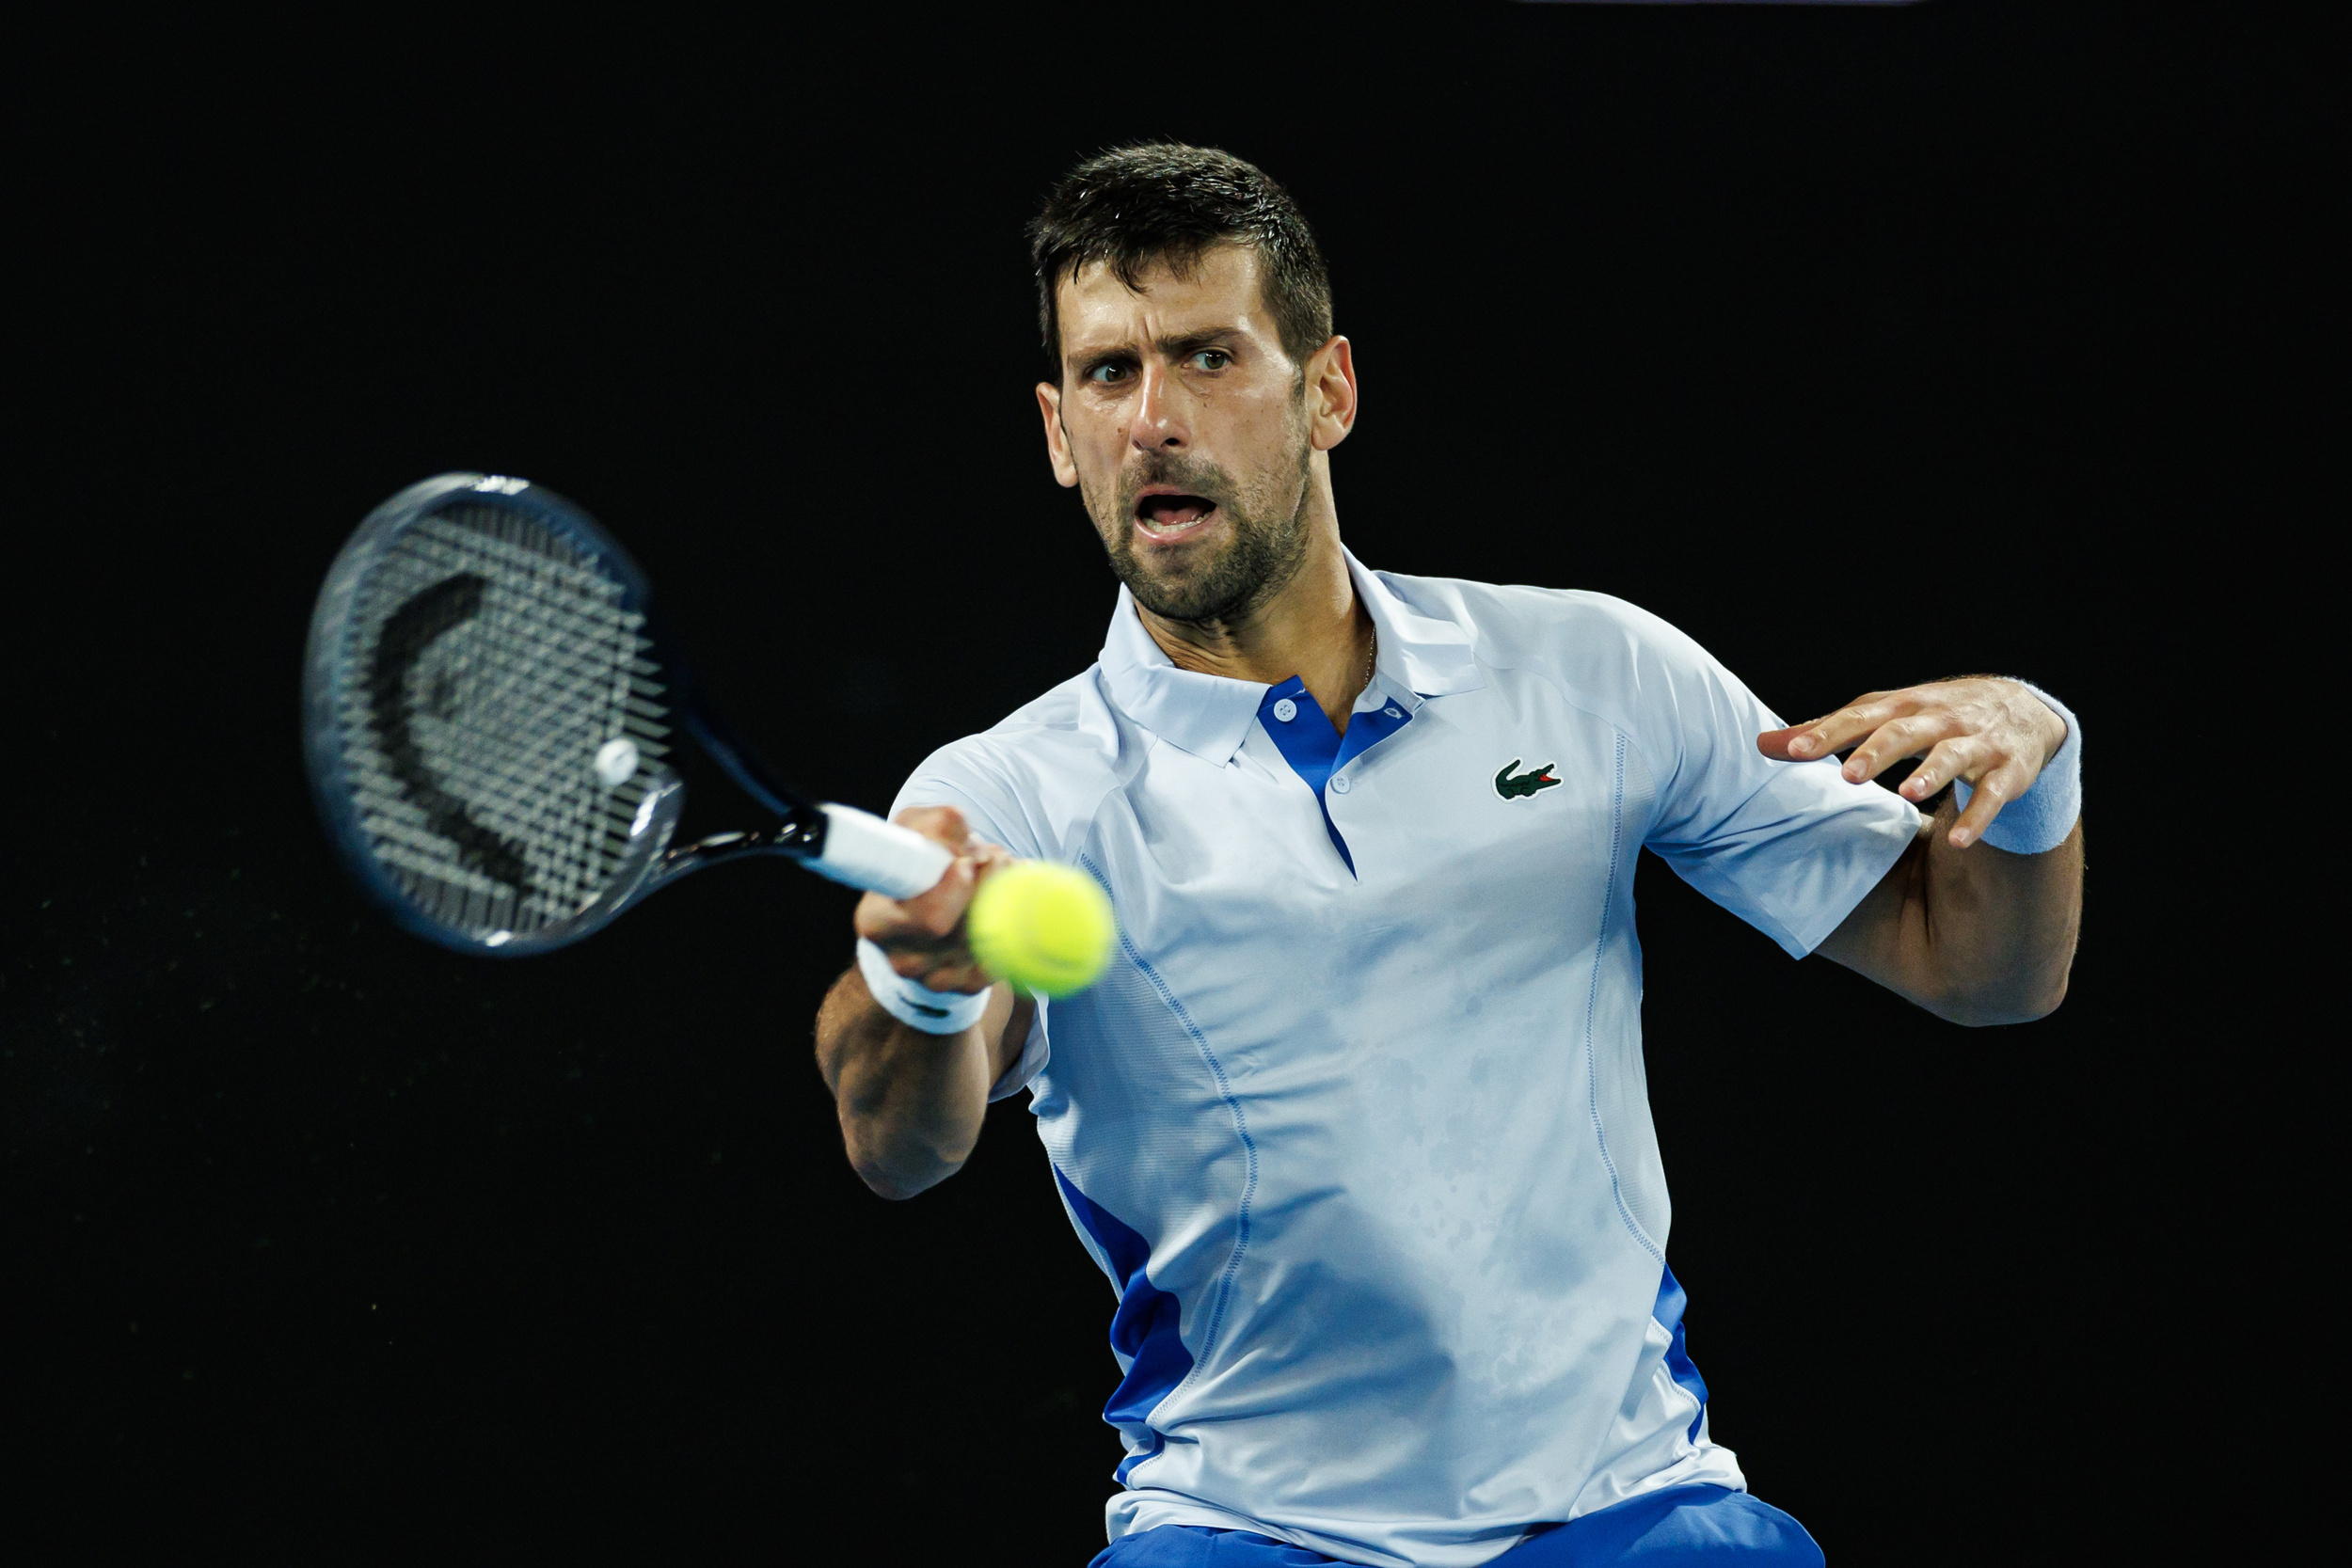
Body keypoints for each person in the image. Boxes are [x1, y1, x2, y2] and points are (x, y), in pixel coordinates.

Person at [812, 143, 2083, 1567]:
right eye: (1109, 375)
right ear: (1058, 433)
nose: (1155, 421)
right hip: (1241, 1530)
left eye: (1210, 357)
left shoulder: (1591, 670)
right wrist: (917, 985)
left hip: (1632, 1509)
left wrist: (2038, 766)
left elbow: (1980, 968)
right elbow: (900, 1149)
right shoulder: (1005, 794)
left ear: (1329, 391)